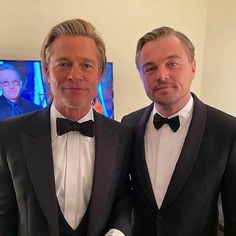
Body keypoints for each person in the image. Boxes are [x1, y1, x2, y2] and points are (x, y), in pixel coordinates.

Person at [0, 18, 132, 236]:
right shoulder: (9, 134)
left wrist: (117, 232)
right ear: (46, 71)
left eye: (86, 65)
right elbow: (4, 216)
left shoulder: (121, 135)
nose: (75, 75)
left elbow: (123, 200)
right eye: (63, 64)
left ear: (99, 73)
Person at [122, 26, 236, 235]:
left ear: (193, 67)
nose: (162, 75)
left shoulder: (228, 130)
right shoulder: (128, 124)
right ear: (140, 75)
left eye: (172, 64)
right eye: (150, 68)